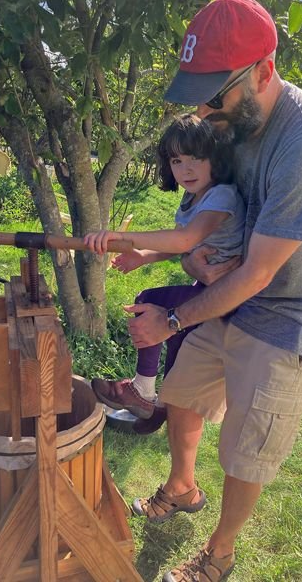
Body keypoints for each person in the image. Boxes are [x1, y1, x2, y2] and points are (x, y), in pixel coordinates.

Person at [123, 0, 302, 582]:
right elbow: (215, 224)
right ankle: (181, 486)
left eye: (217, 94)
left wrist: (173, 320)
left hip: (288, 318)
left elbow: (258, 273)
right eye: (199, 96)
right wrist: (170, 254)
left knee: (244, 451)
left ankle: (220, 554)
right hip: (236, 297)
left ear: (263, 71)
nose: (205, 112)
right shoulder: (235, 123)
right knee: (180, 391)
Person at [84, 114, 245, 434]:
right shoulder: (192, 198)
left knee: (149, 301)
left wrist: (122, 238)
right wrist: (143, 257)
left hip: (231, 294)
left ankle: (142, 390)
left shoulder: (221, 196)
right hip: (209, 286)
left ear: (215, 158)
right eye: (177, 160)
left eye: (197, 159)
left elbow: (185, 240)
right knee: (176, 346)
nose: (186, 169)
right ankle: (153, 412)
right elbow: (180, 245)